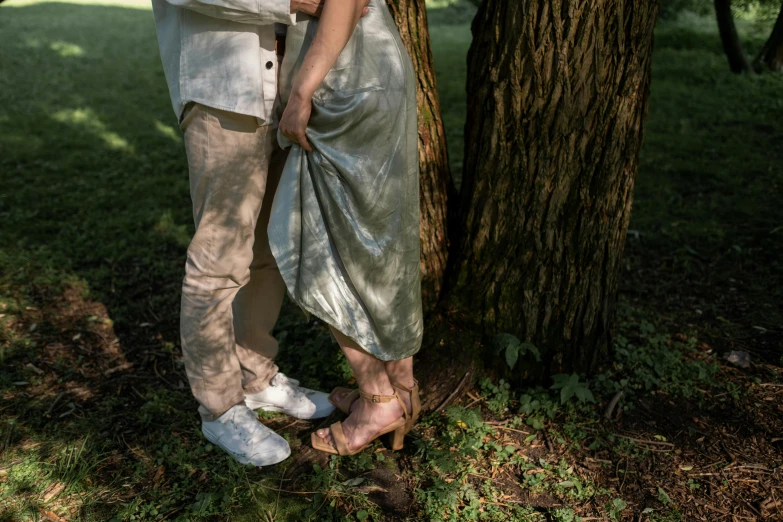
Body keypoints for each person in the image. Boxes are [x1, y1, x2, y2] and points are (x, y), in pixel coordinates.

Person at [150, 0, 365, 467]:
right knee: (219, 258)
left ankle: (256, 377)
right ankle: (220, 408)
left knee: (266, 249)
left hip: (290, 89)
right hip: (223, 93)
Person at [272, 0, 423, 455]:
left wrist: (300, 94)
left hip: (345, 86)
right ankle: (403, 387)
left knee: (318, 248)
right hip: (372, 70)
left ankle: (379, 400)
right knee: (379, 249)